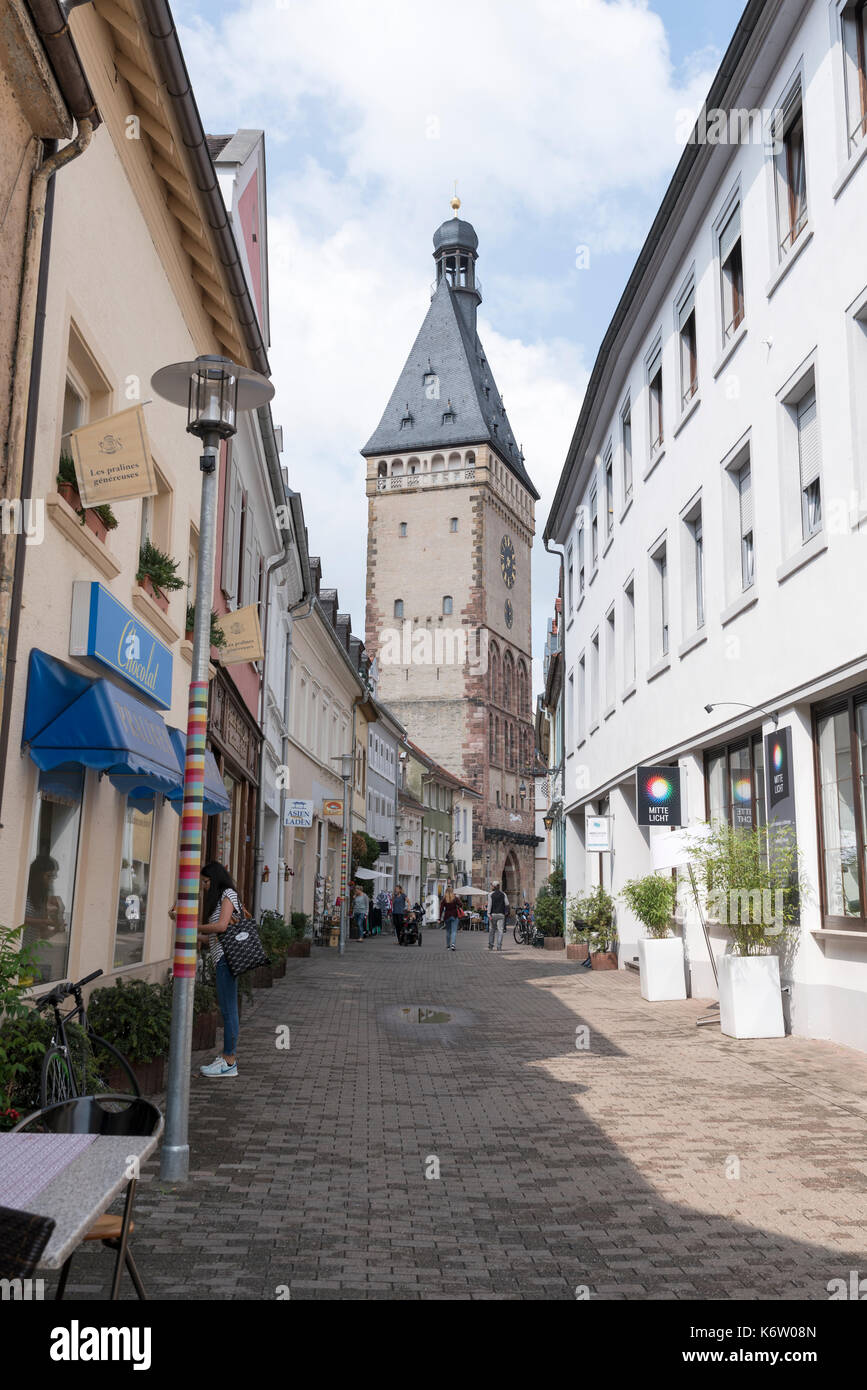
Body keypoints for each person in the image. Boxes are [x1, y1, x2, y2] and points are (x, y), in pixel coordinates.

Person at [198, 861, 242, 1077]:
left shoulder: (228, 895)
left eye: (205, 882)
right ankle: (227, 1058)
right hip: (221, 959)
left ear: (214, 879)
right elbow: (214, 938)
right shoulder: (220, 898)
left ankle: (229, 1060)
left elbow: (222, 926)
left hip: (227, 960)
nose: (203, 886)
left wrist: (191, 925)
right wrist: (193, 935)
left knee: (228, 1010)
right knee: (228, 1009)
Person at [488, 882, 509, 952]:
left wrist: (488, 914)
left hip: (493, 914)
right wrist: (506, 913)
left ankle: (491, 945)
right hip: (501, 915)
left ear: (494, 887)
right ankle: (499, 946)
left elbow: (489, 905)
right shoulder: (503, 894)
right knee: (500, 931)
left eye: (492, 886)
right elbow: (507, 904)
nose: (491, 887)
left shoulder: (490, 894)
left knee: (492, 930)